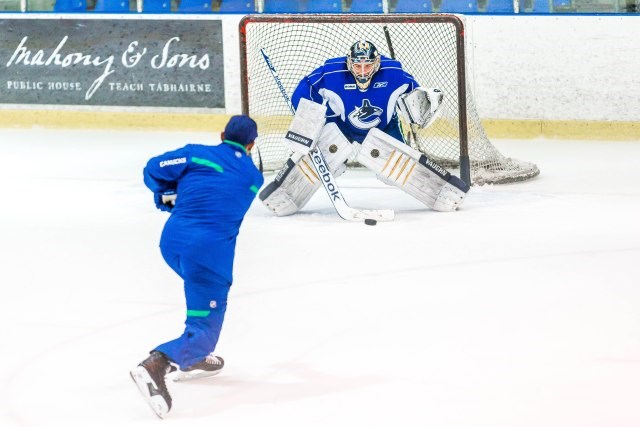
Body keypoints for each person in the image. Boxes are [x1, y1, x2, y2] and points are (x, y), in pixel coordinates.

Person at [130, 115, 264, 418]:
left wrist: (164, 192)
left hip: (172, 243)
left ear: (221, 135)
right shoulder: (254, 178)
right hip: (208, 255)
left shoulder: (195, 153)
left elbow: (153, 169)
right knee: (205, 324)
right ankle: (160, 362)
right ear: (252, 144)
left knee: (198, 292)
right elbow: (222, 196)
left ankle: (194, 354)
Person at [259, 40, 468, 216]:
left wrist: (424, 104)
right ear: (349, 63)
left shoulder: (394, 73)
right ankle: (284, 195)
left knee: (391, 172)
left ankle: (444, 192)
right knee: (330, 158)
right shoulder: (332, 73)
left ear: (376, 63)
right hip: (343, 128)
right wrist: (309, 122)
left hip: (386, 127)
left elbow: (417, 97)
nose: (362, 71)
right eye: (357, 66)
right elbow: (305, 90)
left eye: (367, 66)